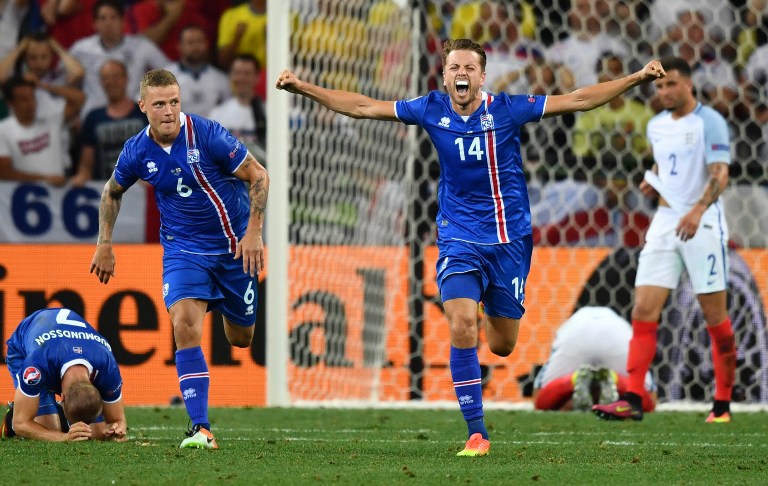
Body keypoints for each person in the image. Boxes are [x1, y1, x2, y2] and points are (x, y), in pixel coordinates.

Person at [276, 38, 665, 456]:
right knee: (462, 324)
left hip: (509, 240)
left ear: (482, 76)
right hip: (458, 237)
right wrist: (304, 87)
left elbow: (579, 100)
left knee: (501, 344)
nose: (461, 74)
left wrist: (636, 79)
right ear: (444, 76)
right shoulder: (429, 108)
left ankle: (486, 304)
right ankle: (476, 433)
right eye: (454, 67)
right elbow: (363, 106)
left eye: (469, 68)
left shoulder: (508, 109)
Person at [90, 68, 269, 449]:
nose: (169, 111)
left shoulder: (208, 135)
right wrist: (104, 242)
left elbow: (258, 175)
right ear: (143, 106)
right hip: (183, 251)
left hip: (234, 249)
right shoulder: (137, 150)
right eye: (159, 104)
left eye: (174, 102)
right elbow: (112, 191)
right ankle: (200, 428)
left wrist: (254, 231)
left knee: (241, 339)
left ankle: (220, 301)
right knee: (184, 323)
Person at [593, 57, 735, 423]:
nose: (664, 92)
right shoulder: (656, 125)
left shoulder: (709, 122)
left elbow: (720, 173)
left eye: (671, 84)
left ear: (688, 84)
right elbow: (665, 163)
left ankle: (722, 404)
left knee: (714, 316)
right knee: (643, 310)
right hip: (665, 221)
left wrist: (697, 211)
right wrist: (652, 180)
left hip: (702, 222)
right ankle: (632, 398)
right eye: (658, 86)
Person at [1, 307, 126, 442]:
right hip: (23, 347)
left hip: (59, 350)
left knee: (97, 434)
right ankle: (11, 417)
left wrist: (115, 429)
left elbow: (118, 420)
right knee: (49, 431)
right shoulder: (36, 366)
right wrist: (63, 437)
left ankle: (57, 414)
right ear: (63, 398)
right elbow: (21, 424)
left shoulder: (108, 367)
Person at [533, 306, 656, 413]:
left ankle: (575, 379)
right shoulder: (619, 322)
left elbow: (539, 401)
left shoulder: (570, 323)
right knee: (649, 399)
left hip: (576, 332)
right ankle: (613, 378)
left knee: (539, 398)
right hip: (615, 332)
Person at [71, 59, 147, 185]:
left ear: (126, 79)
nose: (111, 82)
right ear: (101, 83)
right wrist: (82, 176)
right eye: (106, 78)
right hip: (105, 190)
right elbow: (86, 165)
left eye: (115, 76)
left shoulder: (145, 114)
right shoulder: (93, 118)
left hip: (140, 190)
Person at [0, 75, 84, 185]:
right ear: (10, 103)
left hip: (58, 192)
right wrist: (44, 179)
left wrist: (42, 85)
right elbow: (4, 172)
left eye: (32, 97)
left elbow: (80, 98)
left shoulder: (52, 121)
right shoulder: (3, 130)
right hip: (23, 193)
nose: (31, 103)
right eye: (24, 99)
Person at [207, 54, 266, 160]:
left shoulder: (268, 112)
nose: (241, 78)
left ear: (257, 77)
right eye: (237, 73)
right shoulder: (217, 114)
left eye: (247, 73)